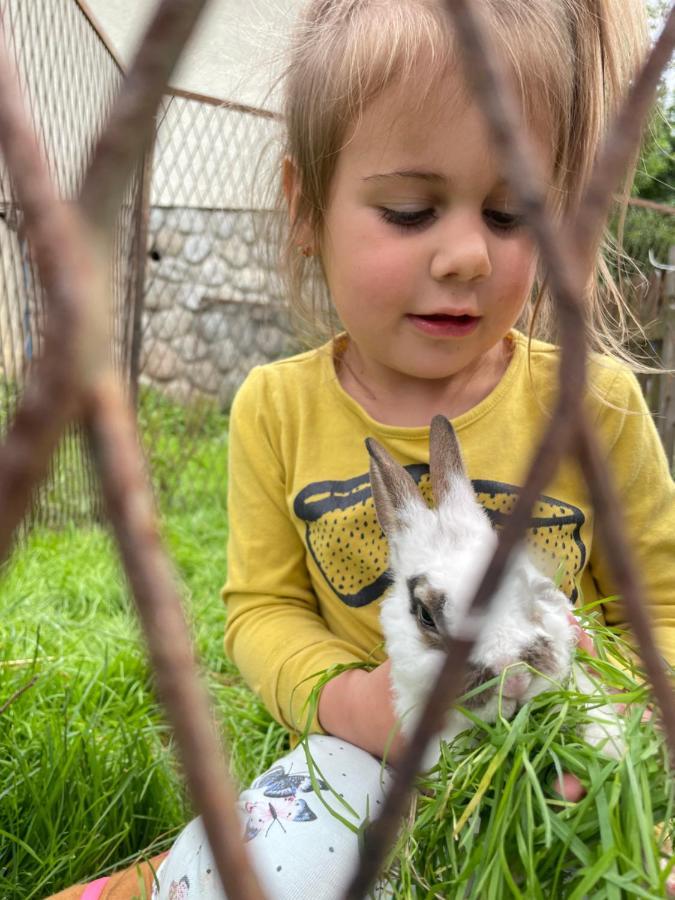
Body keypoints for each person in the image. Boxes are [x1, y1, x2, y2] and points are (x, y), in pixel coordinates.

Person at [53, 0, 675, 897]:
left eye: (509, 218)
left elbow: (658, 610)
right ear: (306, 207)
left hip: (560, 753)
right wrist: (345, 702)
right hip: (365, 760)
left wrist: (604, 724)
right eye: (412, 210)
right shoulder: (276, 408)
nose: (465, 254)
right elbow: (261, 612)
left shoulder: (596, 404)